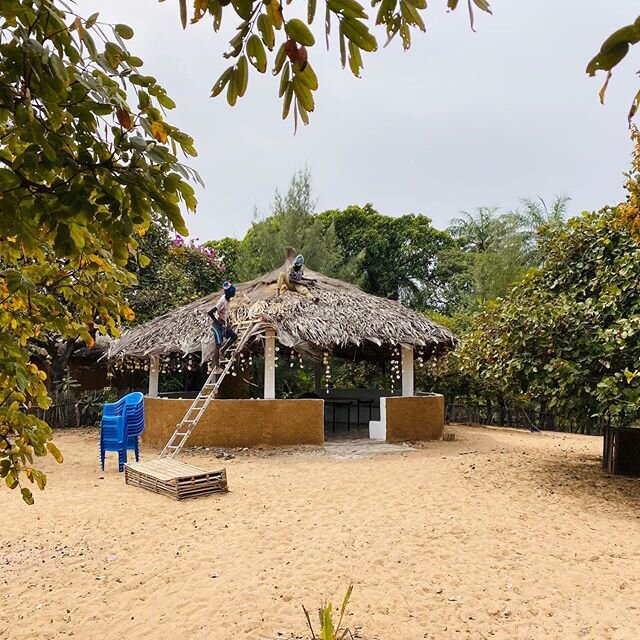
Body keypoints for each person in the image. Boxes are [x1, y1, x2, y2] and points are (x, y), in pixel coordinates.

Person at [207, 281, 237, 374]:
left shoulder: (228, 300)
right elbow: (210, 312)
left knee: (234, 336)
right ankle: (217, 367)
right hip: (217, 326)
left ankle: (222, 351)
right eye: (233, 292)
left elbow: (225, 313)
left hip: (223, 325)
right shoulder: (222, 301)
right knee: (218, 344)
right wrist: (217, 321)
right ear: (230, 293)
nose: (234, 293)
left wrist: (228, 322)